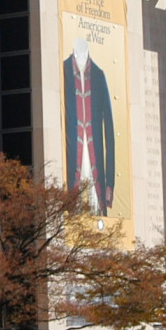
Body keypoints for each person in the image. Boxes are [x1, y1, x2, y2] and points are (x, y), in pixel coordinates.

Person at [61, 36, 117, 215]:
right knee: (73, 210)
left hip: (94, 157)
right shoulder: (63, 70)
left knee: (95, 211)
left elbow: (109, 130)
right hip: (71, 156)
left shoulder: (99, 75)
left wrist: (109, 184)